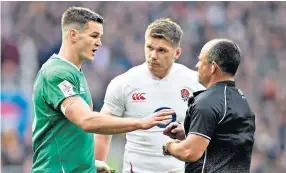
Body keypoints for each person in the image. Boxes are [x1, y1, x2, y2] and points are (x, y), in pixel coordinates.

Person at [31, 7, 174, 173]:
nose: (99, 42)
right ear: (73, 35)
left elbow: (70, 134)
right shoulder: (56, 73)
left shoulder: (74, 73)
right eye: (94, 36)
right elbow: (86, 120)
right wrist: (140, 123)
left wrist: (91, 164)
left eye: (100, 37)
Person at [95, 18, 204, 173]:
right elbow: (102, 128)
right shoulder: (124, 83)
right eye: (149, 47)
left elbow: (210, 132)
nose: (153, 55)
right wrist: (98, 165)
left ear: (177, 53)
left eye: (161, 50)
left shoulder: (195, 84)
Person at [162, 38, 256, 173]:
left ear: (213, 67)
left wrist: (168, 146)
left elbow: (190, 152)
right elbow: (226, 140)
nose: (196, 65)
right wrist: (190, 131)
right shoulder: (242, 101)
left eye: (201, 60)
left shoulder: (206, 102)